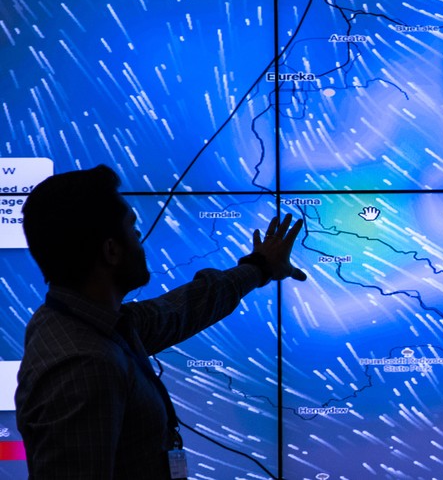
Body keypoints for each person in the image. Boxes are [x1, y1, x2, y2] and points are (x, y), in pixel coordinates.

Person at [14, 164, 306, 479]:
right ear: (111, 251)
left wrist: (260, 267)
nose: (140, 238)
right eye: (133, 229)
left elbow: (178, 310)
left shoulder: (76, 320)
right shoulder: (85, 365)